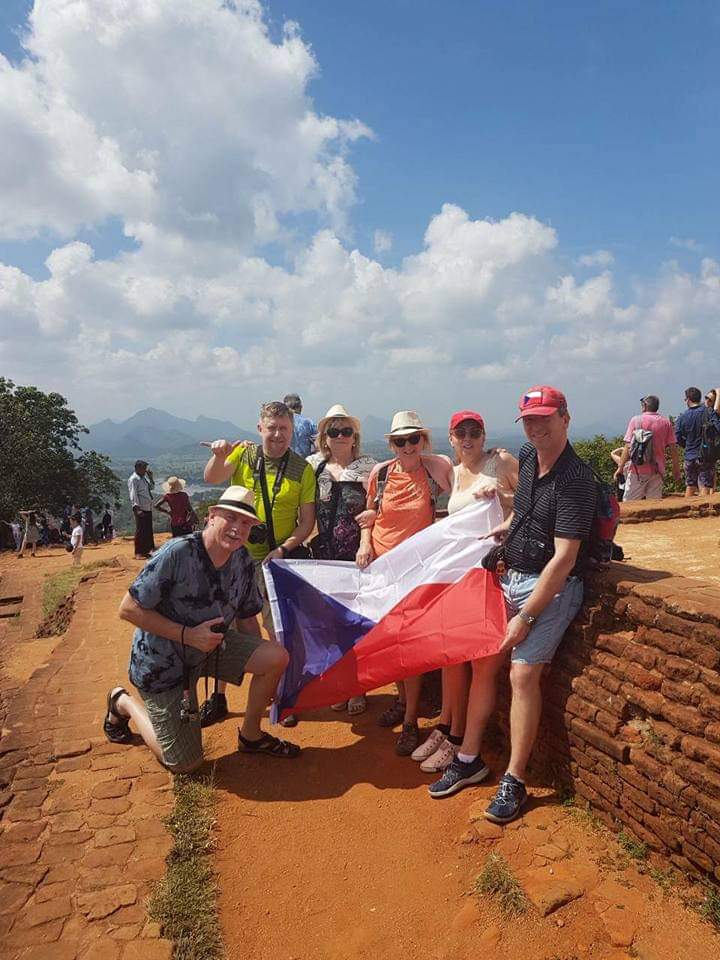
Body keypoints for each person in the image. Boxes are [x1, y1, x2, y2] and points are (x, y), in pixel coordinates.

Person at [429, 385, 597, 825]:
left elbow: (564, 559)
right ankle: (469, 758)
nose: (537, 427)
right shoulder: (526, 457)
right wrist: (504, 530)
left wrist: (526, 616)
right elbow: (522, 511)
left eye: (546, 417)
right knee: (482, 659)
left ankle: (515, 779)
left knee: (523, 673)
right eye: (530, 420)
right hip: (511, 575)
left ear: (565, 417)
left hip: (550, 588)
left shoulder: (577, 480)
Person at [103, 485, 300, 771]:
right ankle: (123, 702)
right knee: (185, 764)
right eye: (230, 518)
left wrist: (261, 663)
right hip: (163, 662)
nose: (237, 528)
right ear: (211, 516)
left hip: (211, 648)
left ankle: (251, 735)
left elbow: (246, 619)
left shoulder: (242, 560)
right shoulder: (177, 553)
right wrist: (187, 635)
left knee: (275, 657)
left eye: (245, 522)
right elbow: (128, 609)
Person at [412, 410, 519, 774]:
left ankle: (462, 743)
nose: (469, 438)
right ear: (452, 438)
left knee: (479, 664)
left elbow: (532, 506)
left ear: (484, 435)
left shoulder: (500, 461)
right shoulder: (453, 473)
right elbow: (417, 457)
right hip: (461, 578)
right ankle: (447, 727)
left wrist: (502, 495)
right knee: (450, 657)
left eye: (475, 432)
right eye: (461, 433)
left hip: (493, 575)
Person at [201, 400, 316, 726]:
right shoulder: (245, 455)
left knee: (276, 628)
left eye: (285, 429)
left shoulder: (301, 468)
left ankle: (280, 694)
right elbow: (212, 477)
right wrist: (221, 454)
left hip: (273, 560)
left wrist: (284, 548)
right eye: (272, 428)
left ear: (292, 430)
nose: (278, 435)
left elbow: (306, 522)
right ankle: (218, 696)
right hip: (232, 556)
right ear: (260, 428)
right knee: (224, 624)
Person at [358, 410, 453, 755]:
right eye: (401, 441)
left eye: (414, 439)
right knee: (391, 642)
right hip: (384, 571)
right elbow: (368, 517)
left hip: (417, 572)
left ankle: (411, 720)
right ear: (392, 444)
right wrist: (364, 542)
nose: (408, 446)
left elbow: (462, 496)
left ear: (423, 440)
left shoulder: (436, 467)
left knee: (409, 647)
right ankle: (401, 701)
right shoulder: (379, 474)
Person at [306, 403, 377, 716]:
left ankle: (357, 686)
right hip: (325, 557)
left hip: (355, 558)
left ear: (354, 436)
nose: (339, 435)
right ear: (324, 436)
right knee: (331, 624)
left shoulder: (368, 468)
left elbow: (373, 511)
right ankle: (341, 684)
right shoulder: (313, 467)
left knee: (354, 623)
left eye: (345, 430)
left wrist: (365, 544)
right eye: (333, 430)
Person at [613, 395, 680, 501]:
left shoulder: (636, 420)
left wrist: (620, 467)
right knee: (654, 503)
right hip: (657, 470)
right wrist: (676, 468)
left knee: (630, 503)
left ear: (644, 406)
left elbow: (628, 446)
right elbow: (673, 448)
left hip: (637, 469)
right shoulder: (666, 422)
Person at [675, 387, 720, 496]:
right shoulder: (708, 412)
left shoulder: (682, 417)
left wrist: (687, 446)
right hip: (705, 455)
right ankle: (704, 511)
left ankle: (686, 510)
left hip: (689, 455)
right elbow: (718, 427)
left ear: (688, 399)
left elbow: (677, 437)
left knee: (690, 485)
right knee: (704, 485)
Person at [128, 460, 156, 559]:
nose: (145, 470)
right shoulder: (133, 479)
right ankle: (138, 552)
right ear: (138, 468)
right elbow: (133, 494)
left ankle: (146, 550)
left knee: (147, 530)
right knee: (140, 530)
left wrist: (151, 477)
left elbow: (151, 487)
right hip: (141, 508)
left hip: (147, 507)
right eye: (144, 468)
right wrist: (137, 508)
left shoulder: (143, 478)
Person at [284, 393, 317, 458]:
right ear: (301, 407)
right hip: (304, 463)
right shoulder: (308, 422)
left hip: (284, 462)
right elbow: (318, 442)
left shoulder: (281, 422)